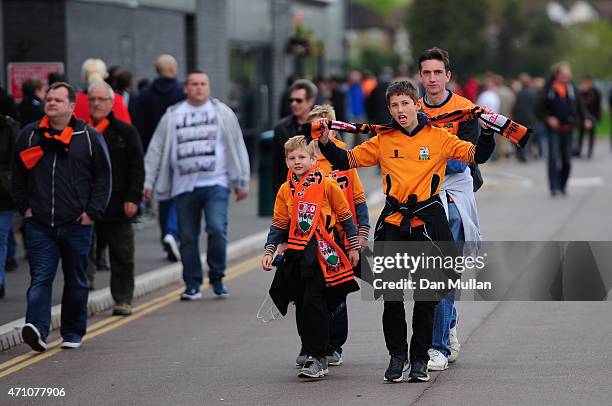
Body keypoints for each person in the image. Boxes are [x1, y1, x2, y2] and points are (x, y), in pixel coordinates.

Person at [317, 80, 496, 383]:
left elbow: (476, 156)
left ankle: (420, 360)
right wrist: (324, 142)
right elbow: (346, 160)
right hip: (394, 223)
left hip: (429, 221)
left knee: (427, 297)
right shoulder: (383, 139)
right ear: (389, 109)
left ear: (416, 105)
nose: (400, 110)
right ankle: (397, 356)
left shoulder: (438, 137)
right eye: (394, 105)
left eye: (405, 104)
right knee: (392, 298)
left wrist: (488, 131)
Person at [11, 82, 111, 351]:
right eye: (49, 99)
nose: (51, 103)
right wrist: (25, 208)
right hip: (39, 223)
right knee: (40, 278)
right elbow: (17, 174)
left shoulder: (88, 137)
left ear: (71, 105)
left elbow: (103, 178)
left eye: (57, 99)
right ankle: (38, 330)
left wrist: (92, 212)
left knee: (76, 280)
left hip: (77, 224)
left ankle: (72, 331)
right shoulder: (30, 135)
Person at [144, 71, 250, 300]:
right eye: (194, 84)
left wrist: (241, 180)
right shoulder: (173, 115)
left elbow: (237, 144)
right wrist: (148, 182)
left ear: (208, 87)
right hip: (183, 187)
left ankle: (217, 277)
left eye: (203, 83)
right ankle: (192, 284)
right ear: (186, 88)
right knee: (188, 237)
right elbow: (156, 149)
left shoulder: (221, 112)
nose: (199, 88)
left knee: (216, 229)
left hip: (217, 183)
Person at [262, 135, 360, 380]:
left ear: (313, 159)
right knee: (302, 303)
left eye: (302, 157)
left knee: (315, 301)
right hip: (296, 254)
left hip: (322, 252)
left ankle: (319, 357)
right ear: (286, 161)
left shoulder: (327, 184)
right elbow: (279, 223)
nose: (297, 161)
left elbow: (345, 216)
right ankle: (309, 348)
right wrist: (269, 250)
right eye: (292, 158)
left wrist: (354, 246)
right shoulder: (285, 189)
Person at [416, 47, 485, 371]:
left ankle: (438, 346)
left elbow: (464, 159)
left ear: (448, 76)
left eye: (437, 72)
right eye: (426, 72)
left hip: (454, 195)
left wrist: (433, 150)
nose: (432, 78)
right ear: (420, 76)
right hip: (418, 195)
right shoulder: (411, 109)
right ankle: (449, 323)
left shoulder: (466, 110)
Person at [290, 105, 370, 368]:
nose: (318, 131)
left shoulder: (342, 159)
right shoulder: (301, 163)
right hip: (309, 242)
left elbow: (358, 200)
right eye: (314, 126)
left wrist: (360, 235)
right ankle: (312, 347)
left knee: (336, 293)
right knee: (308, 295)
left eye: (323, 126)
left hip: (339, 239)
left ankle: (334, 344)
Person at [88, 81, 144, 316]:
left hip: (118, 202)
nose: (97, 103)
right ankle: (81, 296)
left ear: (112, 103)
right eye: (93, 99)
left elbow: (137, 167)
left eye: (102, 99)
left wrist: (133, 197)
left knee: (122, 255)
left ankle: (122, 299)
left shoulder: (125, 132)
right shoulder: (80, 131)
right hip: (86, 205)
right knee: (83, 256)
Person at [132, 54, 186, 262]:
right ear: (173, 69)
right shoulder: (183, 93)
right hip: (181, 152)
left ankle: (168, 233)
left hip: (155, 152)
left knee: (164, 195)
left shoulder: (143, 96)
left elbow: (138, 127)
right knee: (181, 196)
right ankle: (175, 234)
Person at [540, 62, 591, 197]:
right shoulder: (549, 89)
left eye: (569, 75)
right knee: (553, 158)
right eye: (564, 75)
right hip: (554, 130)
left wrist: (585, 119)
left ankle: (562, 185)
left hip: (569, 129)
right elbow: (540, 109)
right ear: (557, 75)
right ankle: (554, 187)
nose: (567, 77)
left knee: (567, 160)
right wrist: (548, 119)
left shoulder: (572, 88)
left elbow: (581, 106)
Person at [272, 79, 317, 198]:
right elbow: (276, 165)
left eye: (299, 100)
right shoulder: (281, 128)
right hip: (290, 193)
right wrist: (278, 195)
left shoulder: (323, 127)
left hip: (317, 192)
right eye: (291, 100)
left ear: (310, 101)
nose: (294, 104)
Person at [74, 59, 131, 124]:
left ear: (85, 77)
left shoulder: (75, 100)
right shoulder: (116, 99)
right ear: (104, 77)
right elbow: (126, 127)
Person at [0, 113, 19, 298]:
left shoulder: (9, 126)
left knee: (1, 238)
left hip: (4, 193)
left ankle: (0, 282)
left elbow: (19, 160)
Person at [575, 75, 601, 159]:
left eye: (587, 83)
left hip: (592, 116)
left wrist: (596, 118)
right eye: (584, 83)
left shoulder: (595, 92)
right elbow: (578, 106)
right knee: (581, 134)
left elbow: (598, 106)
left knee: (591, 134)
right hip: (582, 117)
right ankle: (579, 150)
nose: (586, 85)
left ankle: (590, 151)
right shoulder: (581, 92)